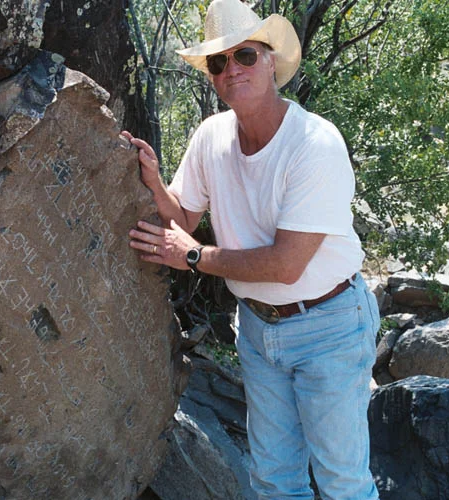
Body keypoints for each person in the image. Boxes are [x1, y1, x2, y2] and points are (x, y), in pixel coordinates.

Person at [124, 0, 381, 498]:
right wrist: (157, 186)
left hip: (328, 324)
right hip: (259, 330)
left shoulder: (314, 144)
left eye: (243, 55)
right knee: (273, 480)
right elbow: (184, 218)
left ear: (270, 61)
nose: (231, 70)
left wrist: (194, 256)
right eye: (219, 63)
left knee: (342, 481)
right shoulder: (212, 137)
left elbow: (286, 265)